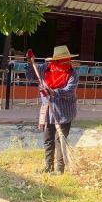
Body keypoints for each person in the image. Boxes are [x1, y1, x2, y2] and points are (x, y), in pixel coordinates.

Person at [25, 45, 79, 174]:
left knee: (60, 140)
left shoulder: (72, 73)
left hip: (64, 112)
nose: (66, 62)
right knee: (48, 139)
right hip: (48, 110)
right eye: (63, 60)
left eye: (67, 59)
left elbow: (69, 91)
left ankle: (60, 169)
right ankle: (48, 166)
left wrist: (53, 92)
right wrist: (30, 62)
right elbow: (31, 76)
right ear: (56, 60)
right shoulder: (45, 68)